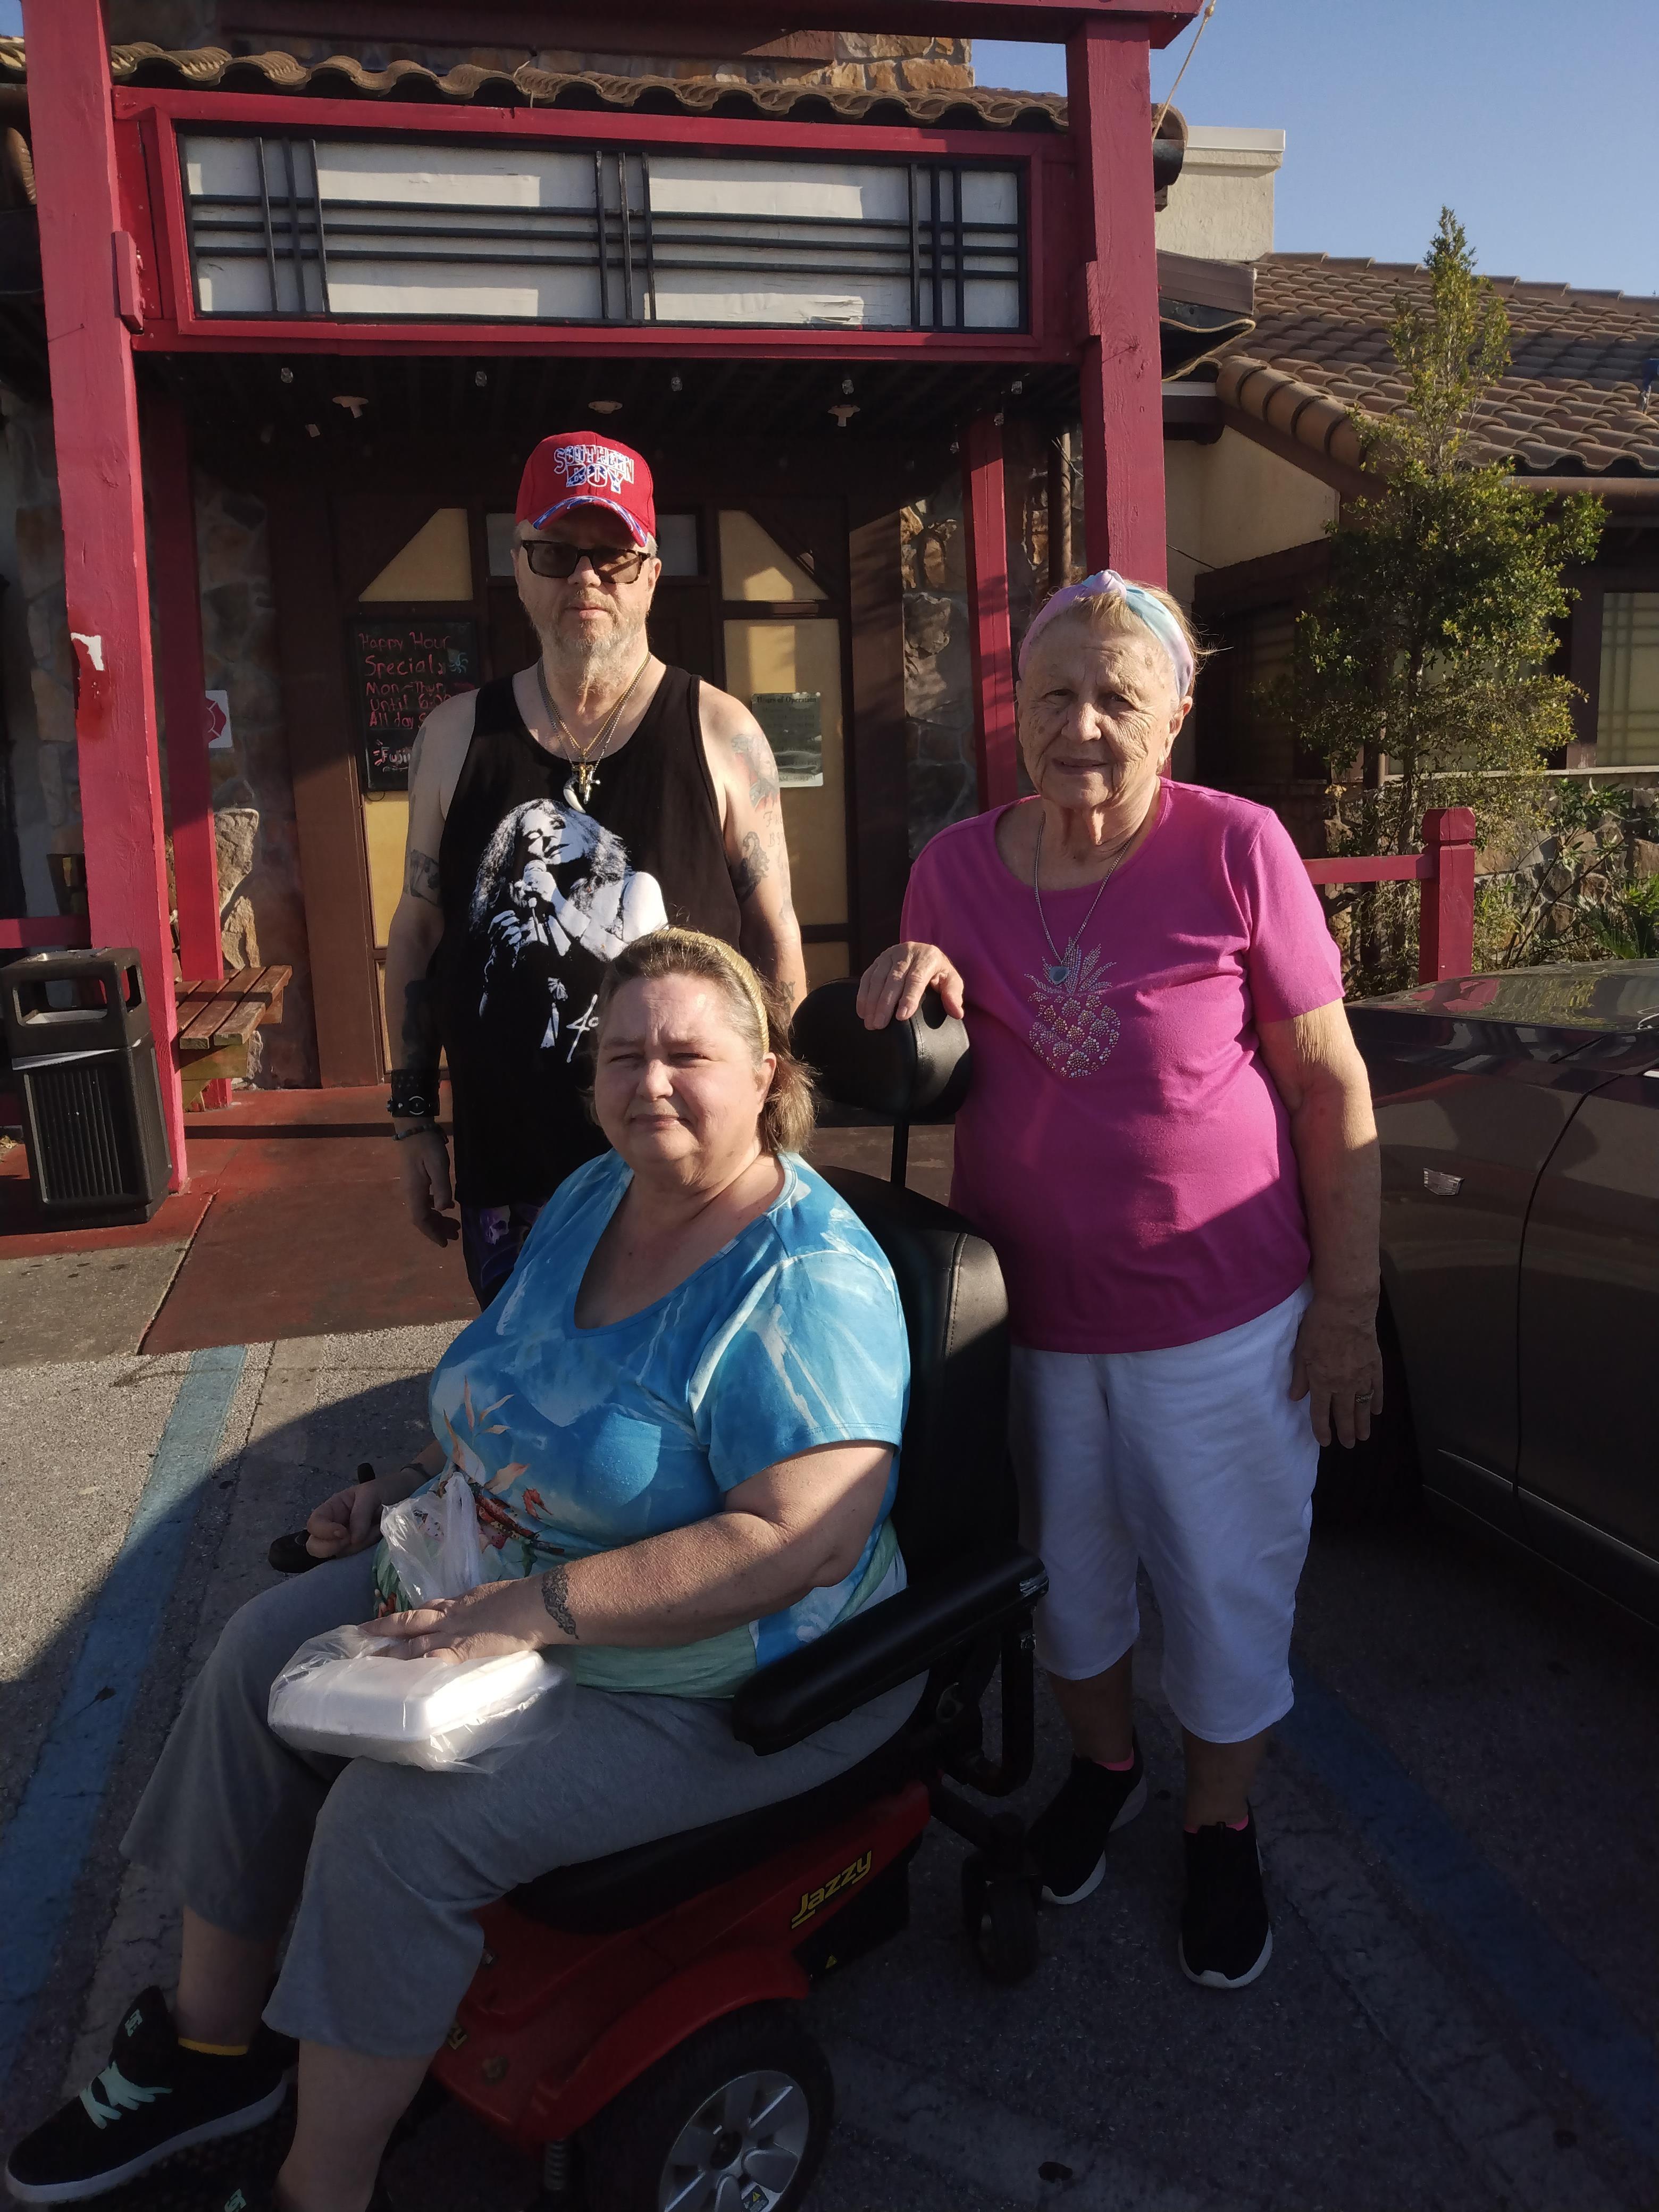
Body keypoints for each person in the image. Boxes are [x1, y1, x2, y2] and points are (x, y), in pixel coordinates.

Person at [6, 932, 912, 2212]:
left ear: (765, 1072)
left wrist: (527, 1614)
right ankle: (216, 2054)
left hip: (726, 1671)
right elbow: (519, 1390)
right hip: (512, 1573)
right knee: (256, 1654)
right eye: (624, 1054)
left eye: (687, 1055)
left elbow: (795, 1543)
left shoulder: (809, 1282)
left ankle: (321, 2187)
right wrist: (403, 1492)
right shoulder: (600, 1193)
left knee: (396, 1828)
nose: (651, 1082)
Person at [856, 570, 1381, 1992]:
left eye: (1117, 697)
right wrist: (904, 976)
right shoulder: (955, 871)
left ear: (1177, 713)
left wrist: (1347, 1305)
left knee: (1224, 1589)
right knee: (1069, 1589)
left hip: (1225, 1322)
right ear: (1016, 710)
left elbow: (1330, 1082)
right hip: (1026, 1325)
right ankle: (1107, 1766)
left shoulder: (1236, 849)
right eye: (1053, 697)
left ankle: (1220, 1821)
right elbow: (930, 1038)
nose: (1082, 724)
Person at [385, 432, 807, 1307]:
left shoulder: (722, 732)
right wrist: (413, 1118)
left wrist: (783, 1127)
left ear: (650, 572)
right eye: (557, 553)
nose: (586, 578)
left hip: (693, 1168)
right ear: (520, 568)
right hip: (514, 1175)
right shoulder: (455, 737)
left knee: (685, 1412)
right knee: (537, 1412)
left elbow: (775, 936)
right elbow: (420, 929)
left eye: (612, 555)